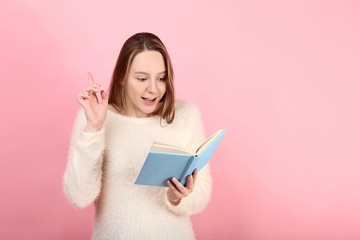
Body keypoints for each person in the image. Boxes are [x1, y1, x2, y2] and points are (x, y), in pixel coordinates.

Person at [63, 32, 212, 240]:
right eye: (142, 78)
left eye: (161, 78)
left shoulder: (186, 116)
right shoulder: (97, 116)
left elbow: (202, 191)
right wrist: (93, 130)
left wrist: (177, 198)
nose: (153, 89)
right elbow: (79, 197)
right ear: (122, 76)